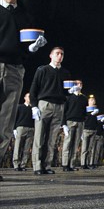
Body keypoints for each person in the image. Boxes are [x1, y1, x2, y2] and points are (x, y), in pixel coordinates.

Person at [0, 0, 47, 181]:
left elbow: (24, 48)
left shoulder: (24, 16)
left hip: (14, 69)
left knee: (6, 120)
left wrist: (32, 48)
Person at [29, 46, 73, 175]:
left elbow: (65, 92)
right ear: (51, 55)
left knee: (52, 138)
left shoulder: (65, 73)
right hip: (45, 104)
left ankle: (46, 165)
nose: (60, 56)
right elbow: (34, 89)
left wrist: (70, 92)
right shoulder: (42, 70)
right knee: (39, 136)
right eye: (57, 53)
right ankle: (37, 165)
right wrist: (34, 106)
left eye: (62, 54)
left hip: (59, 106)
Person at [61, 80, 87, 171]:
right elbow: (64, 111)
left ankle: (71, 164)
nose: (79, 85)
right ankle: (65, 164)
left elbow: (85, 112)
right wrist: (63, 124)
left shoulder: (84, 98)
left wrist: (84, 124)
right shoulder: (68, 97)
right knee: (68, 143)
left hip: (80, 122)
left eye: (80, 83)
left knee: (75, 144)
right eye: (77, 84)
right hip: (70, 121)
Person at [12, 93, 34, 171]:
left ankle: (23, 164)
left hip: (31, 128)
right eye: (28, 96)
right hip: (21, 127)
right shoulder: (20, 107)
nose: (30, 98)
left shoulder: (33, 108)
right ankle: (16, 164)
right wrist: (14, 128)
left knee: (26, 148)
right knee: (17, 146)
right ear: (25, 98)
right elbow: (15, 118)